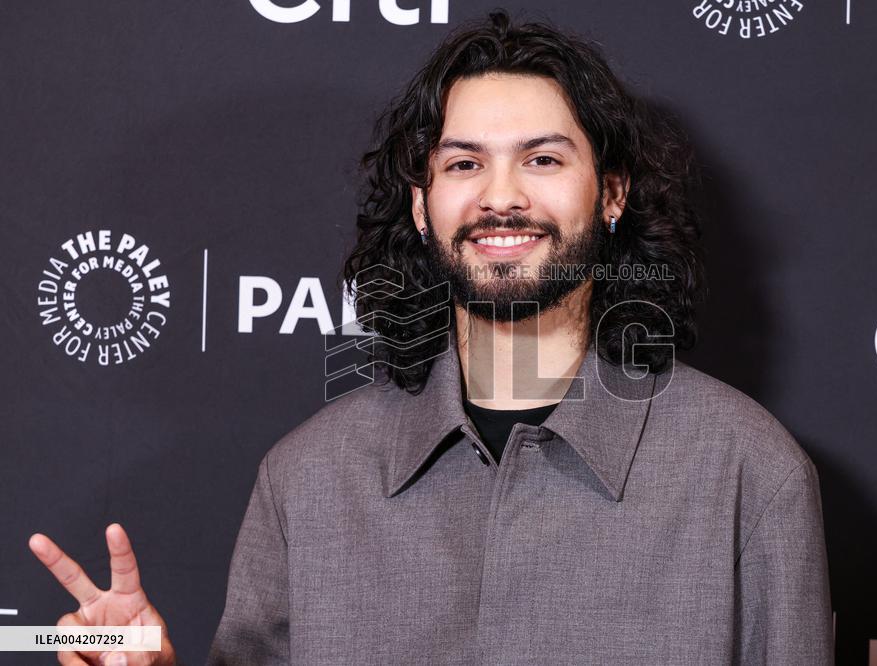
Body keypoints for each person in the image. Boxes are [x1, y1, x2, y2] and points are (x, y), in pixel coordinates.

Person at [29, 10, 834, 665]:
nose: (501, 197)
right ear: (421, 206)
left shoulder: (746, 472)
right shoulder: (307, 479)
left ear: (612, 192)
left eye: (544, 159)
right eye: (462, 165)